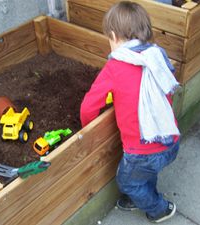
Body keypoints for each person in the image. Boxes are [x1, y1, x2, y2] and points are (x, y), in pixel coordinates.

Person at [80, 1, 180, 223]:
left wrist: (88, 126)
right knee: (146, 173)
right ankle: (141, 197)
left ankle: (159, 208)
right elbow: (167, 90)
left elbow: (88, 106)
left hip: (141, 151)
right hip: (169, 139)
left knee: (127, 182)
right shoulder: (157, 55)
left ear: (114, 36)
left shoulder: (114, 67)